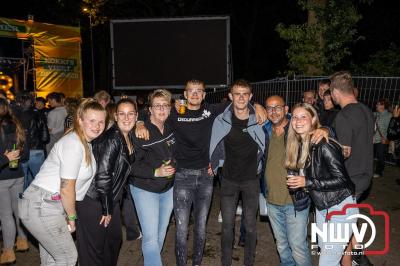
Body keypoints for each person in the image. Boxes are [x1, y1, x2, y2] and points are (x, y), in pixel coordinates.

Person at [135, 80, 267, 266]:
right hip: (182, 176)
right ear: (185, 94)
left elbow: (240, 101)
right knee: (181, 229)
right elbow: (148, 110)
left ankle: (197, 263)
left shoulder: (212, 111)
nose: (195, 94)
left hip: (206, 176)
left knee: (201, 228)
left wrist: (258, 106)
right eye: (191, 91)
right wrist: (140, 122)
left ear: (204, 95)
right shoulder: (174, 111)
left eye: (199, 91)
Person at [19, 98, 106, 266]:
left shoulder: (84, 143)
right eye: (92, 120)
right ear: (80, 120)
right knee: (67, 257)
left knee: (53, 260)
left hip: (47, 205)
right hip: (42, 205)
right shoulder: (74, 143)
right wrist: (72, 217)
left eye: (101, 121)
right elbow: (66, 187)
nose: (97, 126)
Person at [285, 103, 358, 266]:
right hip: (322, 208)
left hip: (341, 207)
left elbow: (343, 180)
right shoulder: (301, 145)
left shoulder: (324, 144)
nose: (298, 121)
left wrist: (307, 182)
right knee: (328, 254)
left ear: (313, 120)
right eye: (295, 117)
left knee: (327, 261)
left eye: (303, 116)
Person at [209, 80, 265, 266]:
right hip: (228, 181)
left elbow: (287, 119)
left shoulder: (259, 119)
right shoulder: (221, 120)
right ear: (231, 96)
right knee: (227, 227)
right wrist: (214, 164)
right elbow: (214, 144)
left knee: (250, 228)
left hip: (251, 181)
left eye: (245, 94)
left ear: (250, 96)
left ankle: (249, 262)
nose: (241, 97)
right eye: (237, 94)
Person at [77, 98, 137, 266]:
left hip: (111, 200)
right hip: (95, 201)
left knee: (113, 242)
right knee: (94, 252)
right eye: (122, 114)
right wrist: (107, 209)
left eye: (130, 114)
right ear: (115, 116)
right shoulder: (112, 139)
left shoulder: (128, 136)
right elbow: (103, 177)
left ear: (136, 116)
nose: (126, 118)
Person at [262, 95, 314, 266]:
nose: (273, 111)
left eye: (278, 107)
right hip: (271, 199)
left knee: (298, 247)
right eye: (269, 108)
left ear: (286, 109)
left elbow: (317, 126)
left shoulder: (297, 129)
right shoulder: (265, 131)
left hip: (294, 200)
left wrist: (326, 130)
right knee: (282, 245)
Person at [329, 71, 374, 266]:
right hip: (365, 175)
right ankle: (360, 257)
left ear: (335, 92)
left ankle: (349, 262)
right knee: (349, 221)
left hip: (350, 180)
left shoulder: (343, 116)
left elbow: (344, 153)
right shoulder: (366, 110)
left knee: (340, 234)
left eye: (331, 93)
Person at [130, 89, 176, 266]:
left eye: (165, 105)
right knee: (150, 237)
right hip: (145, 188)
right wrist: (155, 172)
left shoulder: (172, 126)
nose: (162, 109)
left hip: (168, 189)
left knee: (160, 233)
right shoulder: (140, 132)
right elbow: (131, 165)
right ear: (150, 109)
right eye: (157, 106)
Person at [0, 98, 29, 264]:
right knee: (17, 210)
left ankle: (9, 251)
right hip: (17, 175)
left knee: (5, 215)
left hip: (2, 177)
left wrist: (5, 159)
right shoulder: (18, 126)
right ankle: (23, 240)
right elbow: (26, 155)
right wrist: (15, 156)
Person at [14, 92, 49, 190]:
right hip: (36, 149)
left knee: (22, 180)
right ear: (31, 101)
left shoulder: (13, 114)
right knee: (40, 178)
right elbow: (45, 136)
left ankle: (24, 202)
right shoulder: (37, 113)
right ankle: (39, 201)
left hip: (19, 150)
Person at [373, 98, 392, 178]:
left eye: (378, 104)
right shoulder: (376, 114)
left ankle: (379, 172)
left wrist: (387, 139)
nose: (376, 105)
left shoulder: (389, 116)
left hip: (382, 140)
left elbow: (390, 129)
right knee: (370, 155)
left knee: (380, 157)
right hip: (373, 139)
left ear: (383, 106)